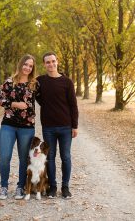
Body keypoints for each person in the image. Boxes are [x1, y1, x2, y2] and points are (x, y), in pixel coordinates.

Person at [36, 51, 78, 199]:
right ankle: (52, 187)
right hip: (48, 127)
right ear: (44, 64)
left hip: (66, 127)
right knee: (50, 157)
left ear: (57, 62)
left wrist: (75, 126)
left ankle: (65, 187)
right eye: (48, 62)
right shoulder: (40, 81)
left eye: (53, 61)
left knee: (65, 157)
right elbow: (38, 97)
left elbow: (73, 105)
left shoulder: (67, 82)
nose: (51, 64)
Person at [0, 54, 38, 200]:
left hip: (27, 126)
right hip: (8, 124)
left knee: (23, 158)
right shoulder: (9, 82)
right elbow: (1, 100)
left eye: (30, 66)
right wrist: (15, 104)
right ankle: (3, 187)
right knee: (5, 157)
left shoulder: (34, 84)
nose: (27, 67)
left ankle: (20, 187)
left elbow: (48, 98)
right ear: (20, 64)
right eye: (25, 64)